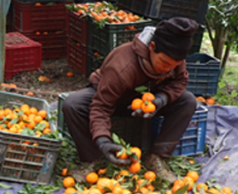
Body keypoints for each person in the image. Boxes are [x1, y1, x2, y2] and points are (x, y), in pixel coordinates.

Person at [62, 17, 200, 184]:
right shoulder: (122, 66)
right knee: (73, 104)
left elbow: (180, 81)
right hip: (111, 96)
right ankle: (92, 160)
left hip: (145, 101)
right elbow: (101, 107)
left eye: (173, 65)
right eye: (164, 63)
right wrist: (103, 141)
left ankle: (157, 158)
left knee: (188, 101)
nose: (168, 68)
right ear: (152, 47)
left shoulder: (174, 59)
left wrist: (161, 100)